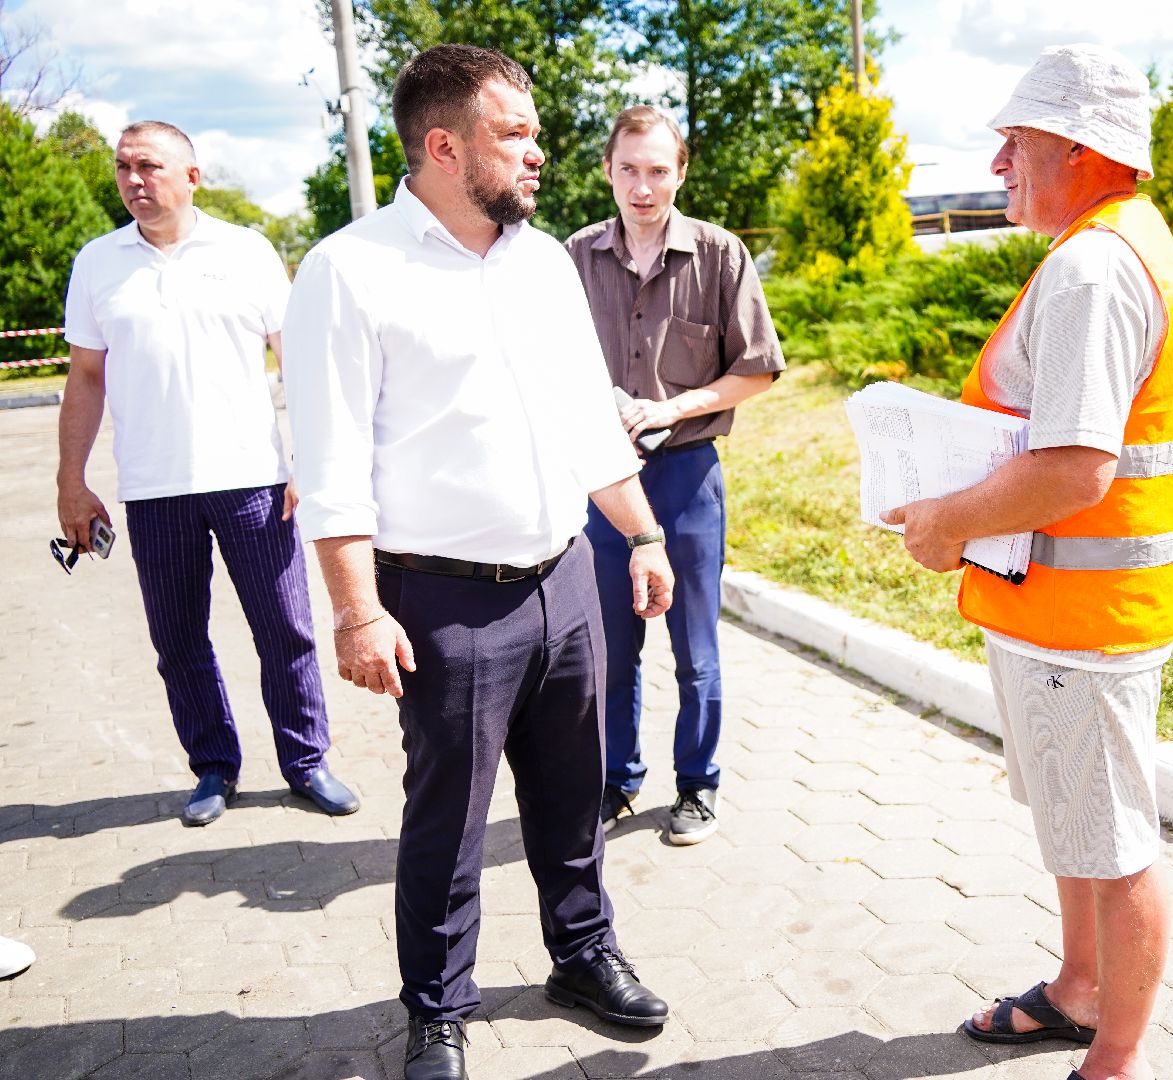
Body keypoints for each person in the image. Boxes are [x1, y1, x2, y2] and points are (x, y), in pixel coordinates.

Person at [281, 45, 674, 1080]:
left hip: (566, 579)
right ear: (445, 147)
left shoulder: (543, 260)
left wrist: (639, 532)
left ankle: (583, 955)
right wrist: (358, 611)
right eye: (515, 134)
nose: (539, 154)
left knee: (572, 793)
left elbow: (587, 419)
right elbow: (327, 466)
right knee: (448, 822)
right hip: (444, 602)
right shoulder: (349, 270)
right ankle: (437, 1011)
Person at [881, 44, 1173, 1080]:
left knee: (1113, 841)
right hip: (1060, 608)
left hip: (1084, 619)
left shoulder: (1098, 269)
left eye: (1019, 138)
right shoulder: (1103, 248)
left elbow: (1075, 470)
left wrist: (943, 523)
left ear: (1081, 145)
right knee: (1077, 820)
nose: (1001, 157)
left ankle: (1113, 1058)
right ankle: (1077, 990)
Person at [58, 120, 358, 828]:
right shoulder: (98, 264)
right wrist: (71, 479)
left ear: (192, 176)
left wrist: (309, 459)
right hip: (153, 489)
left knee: (285, 628)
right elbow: (85, 377)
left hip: (253, 477)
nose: (135, 180)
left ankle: (306, 760)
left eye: (150, 166)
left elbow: (297, 359)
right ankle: (213, 767)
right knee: (179, 638)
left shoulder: (247, 252)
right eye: (124, 168)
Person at [565, 105, 784, 846]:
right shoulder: (573, 258)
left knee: (696, 651)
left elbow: (758, 371)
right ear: (607, 171)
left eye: (659, 170)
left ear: (681, 172)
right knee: (610, 650)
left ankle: (698, 784)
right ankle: (616, 780)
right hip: (600, 483)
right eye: (628, 169)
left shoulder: (720, 255)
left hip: (688, 478)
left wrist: (675, 407)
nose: (643, 186)